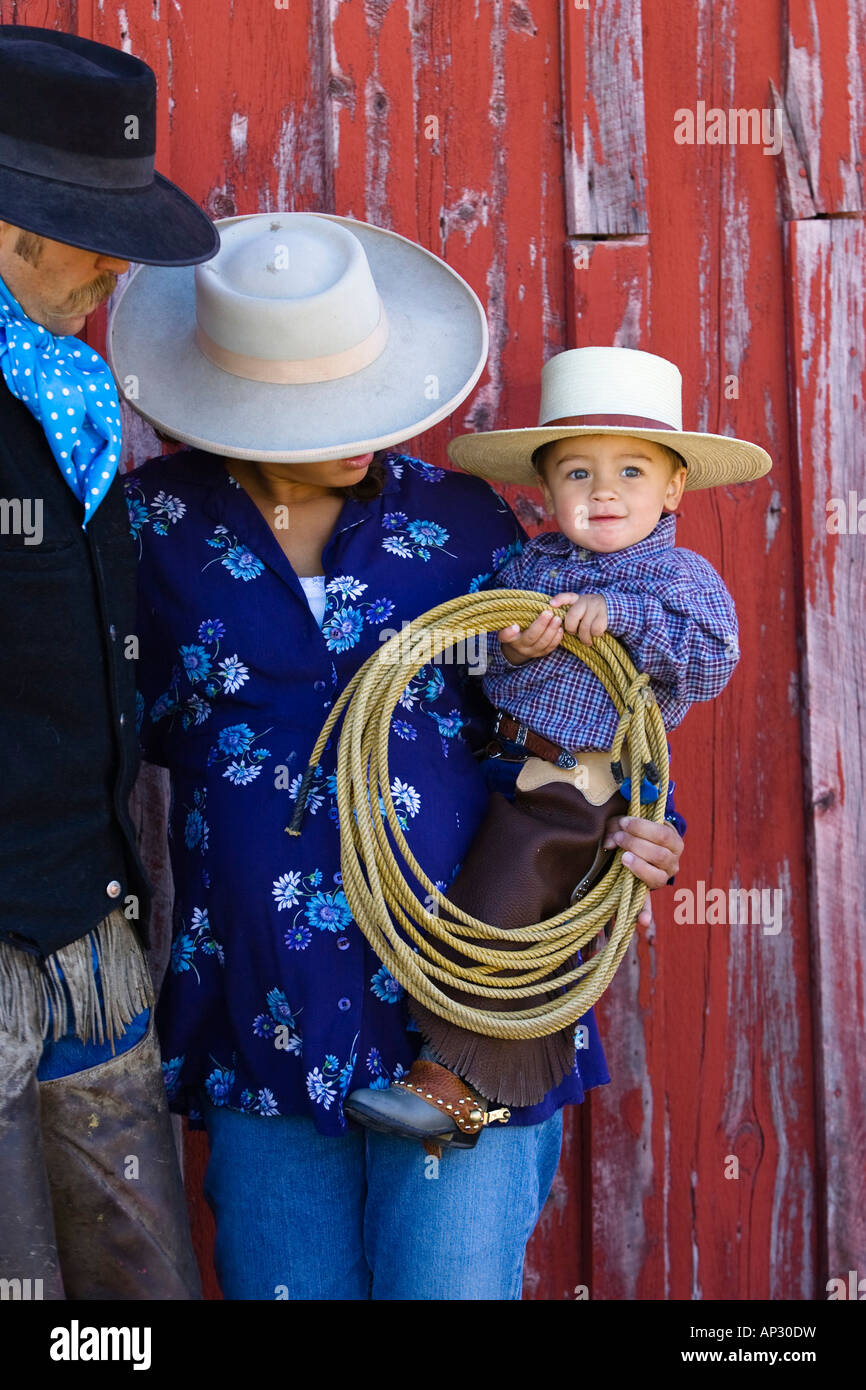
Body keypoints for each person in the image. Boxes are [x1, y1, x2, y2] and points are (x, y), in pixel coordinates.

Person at [108, 210, 685, 1301]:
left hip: (469, 1001)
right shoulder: (150, 527)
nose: (358, 429)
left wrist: (641, 829)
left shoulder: (467, 521)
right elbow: (93, 722)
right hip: (262, 1000)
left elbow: (586, 706)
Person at [346, 346, 771, 1140]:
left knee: (504, 897)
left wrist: (623, 618)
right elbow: (467, 659)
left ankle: (453, 1080)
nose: (603, 491)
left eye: (633, 472)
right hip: (501, 764)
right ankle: (444, 1051)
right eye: (576, 473)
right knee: (454, 886)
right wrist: (508, 649)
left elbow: (713, 658)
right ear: (544, 490)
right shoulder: (526, 566)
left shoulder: (676, 582)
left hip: (580, 781)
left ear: (675, 486)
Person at [0, 24, 217, 1299]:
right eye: (87, 228)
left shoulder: (70, 404)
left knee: (134, 1303)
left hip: (93, 934)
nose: (113, 268)